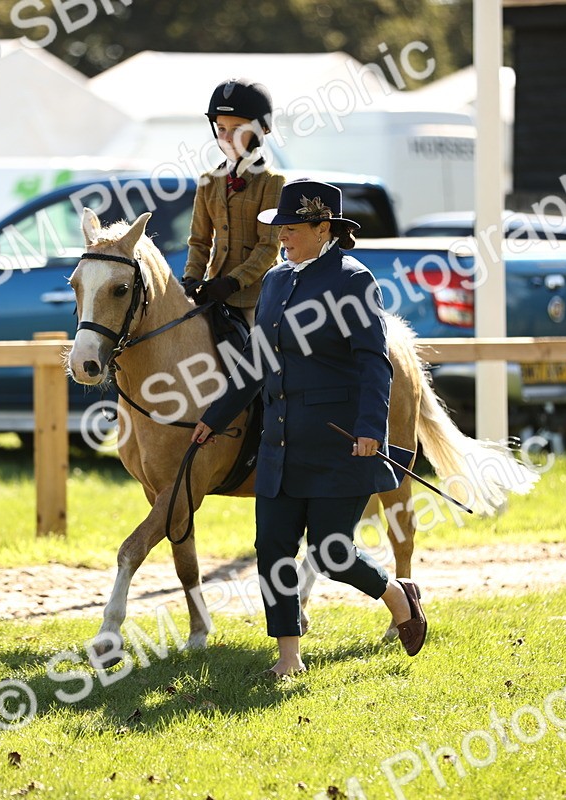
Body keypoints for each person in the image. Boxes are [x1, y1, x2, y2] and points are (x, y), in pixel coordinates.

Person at [191, 179, 427, 679]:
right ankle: (288, 657)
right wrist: (212, 419)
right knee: (272, 547)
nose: (282, 237)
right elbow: (255, 363)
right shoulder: (275, 280)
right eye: (280, 228)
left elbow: (374, 363)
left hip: (338, 443)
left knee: (332, 552)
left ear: (325, 229)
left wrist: (370, 428)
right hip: (279, 441)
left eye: (292, 228)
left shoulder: (354, 280)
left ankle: (396, 594)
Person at [182, 79, 286, 328]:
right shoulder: (207, 181)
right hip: (214, 289)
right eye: (221, 129)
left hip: (257, 293)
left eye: (237, 129)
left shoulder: (272, 182)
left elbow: (268, 246)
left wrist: (233, 281)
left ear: (260, 130)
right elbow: (199, 241)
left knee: (261, 351)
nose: (227, 137)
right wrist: (191, 279)